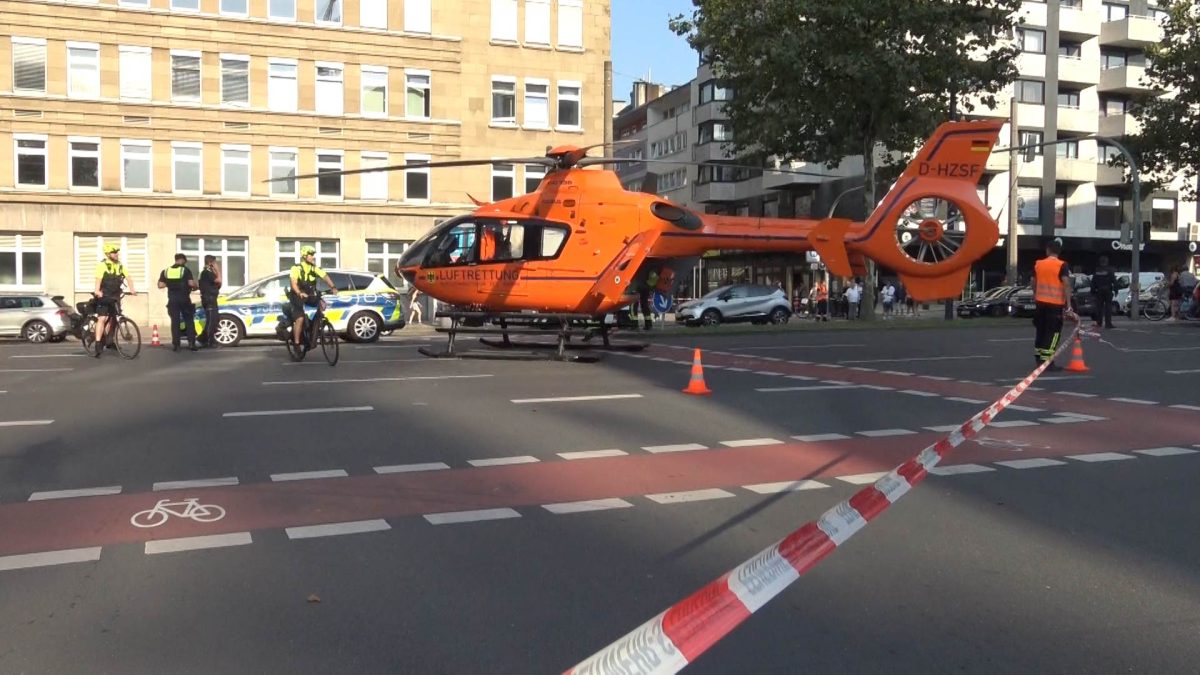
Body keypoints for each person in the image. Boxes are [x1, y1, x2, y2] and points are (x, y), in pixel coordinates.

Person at [1032, 238, 1076, 370]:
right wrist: (1068, 304)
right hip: (1055, 305)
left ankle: (1039, 359)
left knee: (1041, 331)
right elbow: (1066, 284)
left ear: (1048, 250)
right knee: (1053, 333)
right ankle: (1047, 362)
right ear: (1059, 252)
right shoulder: (1062, 265)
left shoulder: (1038, 264)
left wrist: (1035, 295)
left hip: (1040, 303)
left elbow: (1033, 282)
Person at [287, 246, 338, 350]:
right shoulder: (296, 268)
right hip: (297, 296)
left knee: (320, 309)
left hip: (310, 295)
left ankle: (312, 335)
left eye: (313, 255)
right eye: (311, 255)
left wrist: (332, 287)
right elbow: (293, 283)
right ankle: (296, 344)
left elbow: (325, 276)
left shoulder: (314, 268)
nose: (313, 257)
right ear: (304, 256)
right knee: (300, 318)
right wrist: (299, 292)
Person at [92, 243, 138, 357]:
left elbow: (128, 278)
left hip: (115, 296)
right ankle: (98, 343)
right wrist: (97, 291)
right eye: (114, 252)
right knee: (102, 318)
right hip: (104, 296)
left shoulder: (120, 265)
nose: (116, 254)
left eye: (117, 252)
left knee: (115, 319)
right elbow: (98, 280)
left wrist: (132, 289)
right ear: (108, 254)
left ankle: (109, 340)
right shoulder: (102, 265)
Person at [158, 253, 199, 351]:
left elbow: (160, 285)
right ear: (183, 260)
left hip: (172, 299)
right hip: (184, 299)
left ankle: (176, 344)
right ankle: (191, 343)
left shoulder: (166, 271)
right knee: (189, 320)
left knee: (175, 321)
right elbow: (191, 283)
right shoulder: (185, 270)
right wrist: (196, 286)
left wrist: (170, 283)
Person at [197, 255, 222, 347]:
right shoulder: (207, 272)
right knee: (211, 321)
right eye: (215, 263)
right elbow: (219, 280)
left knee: (215, 320)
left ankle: (202, 338)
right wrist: (218, 270)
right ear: (211, 263)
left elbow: (218, 284)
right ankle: (209, 341)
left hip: (211, 298)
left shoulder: (208, 272)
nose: (216, 264)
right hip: (209, 299)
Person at [1089, 255, 1115, 329]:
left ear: (1100, 262)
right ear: (1107, 262)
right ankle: (1108, 324)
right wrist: (1116, 290)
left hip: (1099, 291)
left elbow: (1093, 282)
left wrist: (1092, 291)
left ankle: (1099, 322)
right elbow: (1114, 281)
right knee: (1108, 307)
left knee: (1099, 307)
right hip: (1108, 290)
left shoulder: (1097, 270)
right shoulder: (1110, 270)